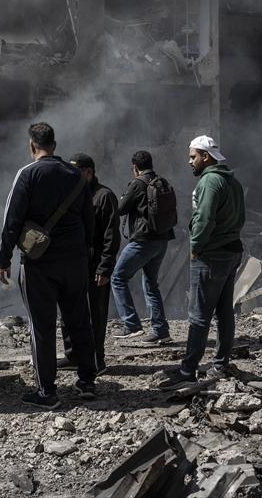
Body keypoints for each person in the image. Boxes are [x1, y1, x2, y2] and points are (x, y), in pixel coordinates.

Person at [0, 122, 98, 409]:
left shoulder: (27, 174)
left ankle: (47, 392)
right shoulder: (76, 176)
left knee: (41, 326)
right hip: (75, 260)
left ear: (32, 145)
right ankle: (87, 380)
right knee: (79, 320)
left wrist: (4, 259)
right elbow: (89, 220)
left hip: (38, 263)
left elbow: (12, 220)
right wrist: (84, 252)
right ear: (54, 145)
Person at [159, 135, 245, 391]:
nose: (190, 161)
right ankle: (220, 364)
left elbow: (205, 219)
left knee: (198, 316)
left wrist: (196, 246)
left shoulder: (209, 181)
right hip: (232, 251)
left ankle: (187, 371)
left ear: (206, 156)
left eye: (193, 156)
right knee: (224, 312)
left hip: (212, 254)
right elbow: (240, 217)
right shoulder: (232, 181)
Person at [58, 153, 120, 374]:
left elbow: (111, 236)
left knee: (95, 313)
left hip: (94, 265)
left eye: (77, 173)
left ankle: (96, 360)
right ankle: (73, 355)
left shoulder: (104, 196)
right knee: (68, 310)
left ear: (89, 172)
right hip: (72, 263)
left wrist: (104, 267)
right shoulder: (70, 195)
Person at [110, 150, 176, 344]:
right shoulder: (161, 181)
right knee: (150, 284)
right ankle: (161, 330)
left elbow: (120, 209)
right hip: (162, 241)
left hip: (143, 241)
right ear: (152, 165)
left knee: (118, 278)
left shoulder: (137, 183)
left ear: (135, 168)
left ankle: (131, 324)